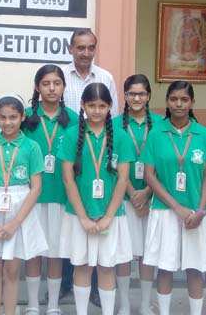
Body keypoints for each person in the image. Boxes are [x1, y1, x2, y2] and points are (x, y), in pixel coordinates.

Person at [142, 81, 206, 315]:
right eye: (174, 99)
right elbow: (149, 175)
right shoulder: (156, 134)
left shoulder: (204, 134)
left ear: (192, 103)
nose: (179, 104)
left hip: (196, 212)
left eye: (184, 100)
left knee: (195, 269)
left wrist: (201, 211)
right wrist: (176, 207)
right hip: (165, 211)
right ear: (167, 101)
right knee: (165, 268)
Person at [58, 82, 134, 315]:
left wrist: (108, 217)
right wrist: (83, 217)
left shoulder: (120, 135)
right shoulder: (72, 134)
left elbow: (122, 179)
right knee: (81, 265)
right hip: (78, 213)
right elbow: (68, 179)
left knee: (106, 267)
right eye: (92, 105)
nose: (97, 111)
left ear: (110, 106)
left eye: (102, 106)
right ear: (82, 105)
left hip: (111, 214)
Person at [0, 94, 48, 315]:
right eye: (3, 117)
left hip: (20, 207)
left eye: (13, 117)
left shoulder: (32, 147)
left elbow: (36, 187)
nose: (7, 122)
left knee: (13, 270)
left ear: (22, 117)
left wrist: (15, 223)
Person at [23, 64, 78, 315]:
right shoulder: (26, 117)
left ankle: (54, 305)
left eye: (57, 83)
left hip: (61, 195)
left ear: (64, 87)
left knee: (55, 252)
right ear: (37, 87)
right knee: (33, 251)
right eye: (46, 84)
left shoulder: (73, 119)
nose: (51, 88)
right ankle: (33, 304)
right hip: (31, 196)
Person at [112, 74, 163, 315]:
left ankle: (144, 303)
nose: (136, 98)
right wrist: (133, 193)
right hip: (123, 198)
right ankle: (123, 303)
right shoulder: (114, 124)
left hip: (153, 199)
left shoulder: (161, 124)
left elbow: (166, 163)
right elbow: (110, 164)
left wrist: (147, 192)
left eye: (141, 93)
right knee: (124, 253)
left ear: (148, 95)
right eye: (131, 93)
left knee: (148, 254)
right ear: (125, 96)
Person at [63, 29, 120, 117]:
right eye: (81, 48)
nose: (86, 54)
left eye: (91, 48)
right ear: (70, 49)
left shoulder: (106, 78)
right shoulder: (60, 77)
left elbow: (113, 114)